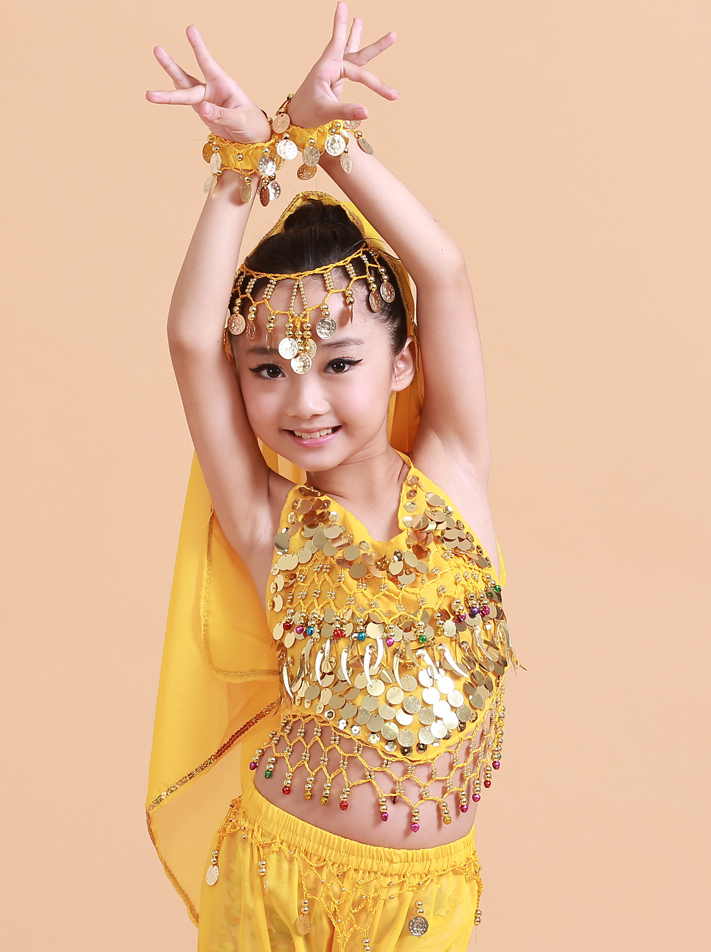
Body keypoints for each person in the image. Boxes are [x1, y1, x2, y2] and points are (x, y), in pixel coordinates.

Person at [144, 4, 520, 950]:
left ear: (403, 362)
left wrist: (324, 141)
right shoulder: (266, 521)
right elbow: (190, 338)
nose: (303, 400)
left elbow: (443, 270)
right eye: (268, 369)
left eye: (339, 362)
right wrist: (241, 170)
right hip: (280, 882)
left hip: (430, 896)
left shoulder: (454, 475)